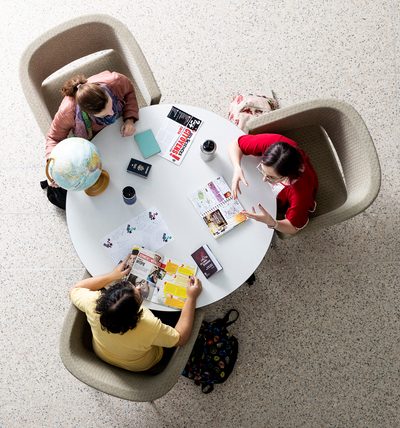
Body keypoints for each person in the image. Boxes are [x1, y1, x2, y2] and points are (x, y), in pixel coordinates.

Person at [69, 256, 202, 373]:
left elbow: (75, 289)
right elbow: (181, 339)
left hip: (102, 353)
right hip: (142, 364)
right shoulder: (149, 325)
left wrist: (113, 276)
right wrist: (191, 298)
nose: (138, 287)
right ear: (136, 313)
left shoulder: (92, 302)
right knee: (174, 314)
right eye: (138, 297)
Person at [46, 70, 139, 186]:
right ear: (88, 113)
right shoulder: (67, 112)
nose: (111, 114)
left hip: (120, 133)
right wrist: (52, 169)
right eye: (104, 114)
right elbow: (53, 139)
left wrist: (129, 119)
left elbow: (129, 91)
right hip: (92, 147)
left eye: (111, 105)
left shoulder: (115, 81)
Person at [229, 133, 318, 235]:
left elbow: (293, 227)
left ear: (287, 176)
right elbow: (235, 144)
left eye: (271, 177)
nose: (264, 179)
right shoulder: (274, 147)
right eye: (262, 169)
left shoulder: (301, 194)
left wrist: (272, 222)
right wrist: (237, 168)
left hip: (281, 200)